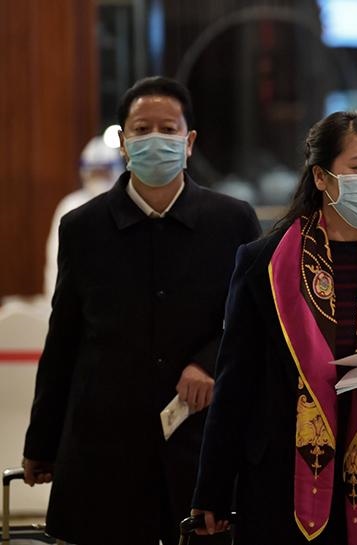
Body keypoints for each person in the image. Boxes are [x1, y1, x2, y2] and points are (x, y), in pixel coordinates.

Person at [191, 110, 357, 545]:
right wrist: (213, 489)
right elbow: (236, 382)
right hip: (283, 480)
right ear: (321, 176)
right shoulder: (265, 262)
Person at [22, 76, 261, 545]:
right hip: (104, 441)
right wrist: (41, 444)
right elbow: (64, 338)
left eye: (168, 129)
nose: (156, 139)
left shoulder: (232, 220)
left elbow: (253, 320)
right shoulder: (83, 226)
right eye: (142, 128)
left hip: (200, 438)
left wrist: (208, 362)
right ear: (123, 142)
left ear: (189, 142)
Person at [43, 136, 124, 301]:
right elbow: (55, 263)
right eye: (95, 173)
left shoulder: (128, 206)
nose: (100, 179)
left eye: (104, 173)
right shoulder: (71, 205)